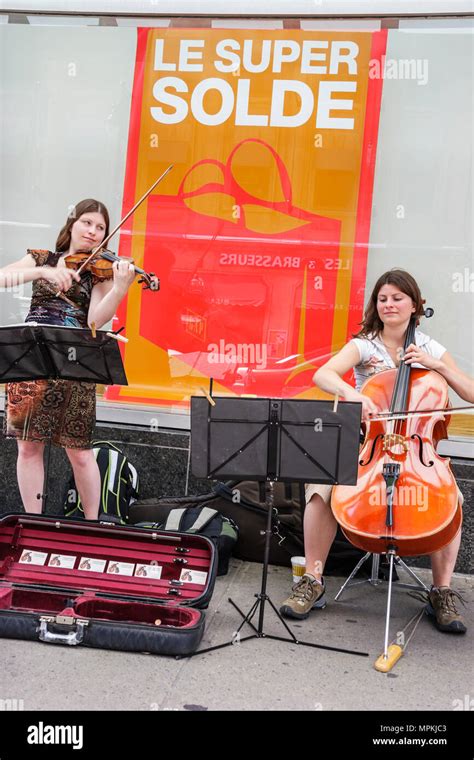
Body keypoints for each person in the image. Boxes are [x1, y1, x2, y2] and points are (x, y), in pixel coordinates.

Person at [280, 269, 473, 633]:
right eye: (383, 299)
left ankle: (441, 591)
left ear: (414, 305)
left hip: (417, 450)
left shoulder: (429, 348)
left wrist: (436, 367)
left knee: (454, 501)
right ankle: (313, 581)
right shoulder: (365, 344)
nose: (389, 305)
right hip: (369, 445)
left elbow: (470, 392)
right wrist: (355, 395)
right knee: (321, 490)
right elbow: (323, 375)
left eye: (397, 298)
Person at [0, 198, 136, 520]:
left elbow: (94, 321)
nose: (93, 231)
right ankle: (33, 522)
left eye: (100, 227)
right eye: (87, 222)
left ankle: (92, 526)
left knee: (81, 452)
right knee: (28, 447)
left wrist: (119, 288)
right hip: (30, 364)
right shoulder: (42, 258)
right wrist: (43, 271)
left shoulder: (98, 273)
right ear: (71, 224)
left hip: (74, 364)